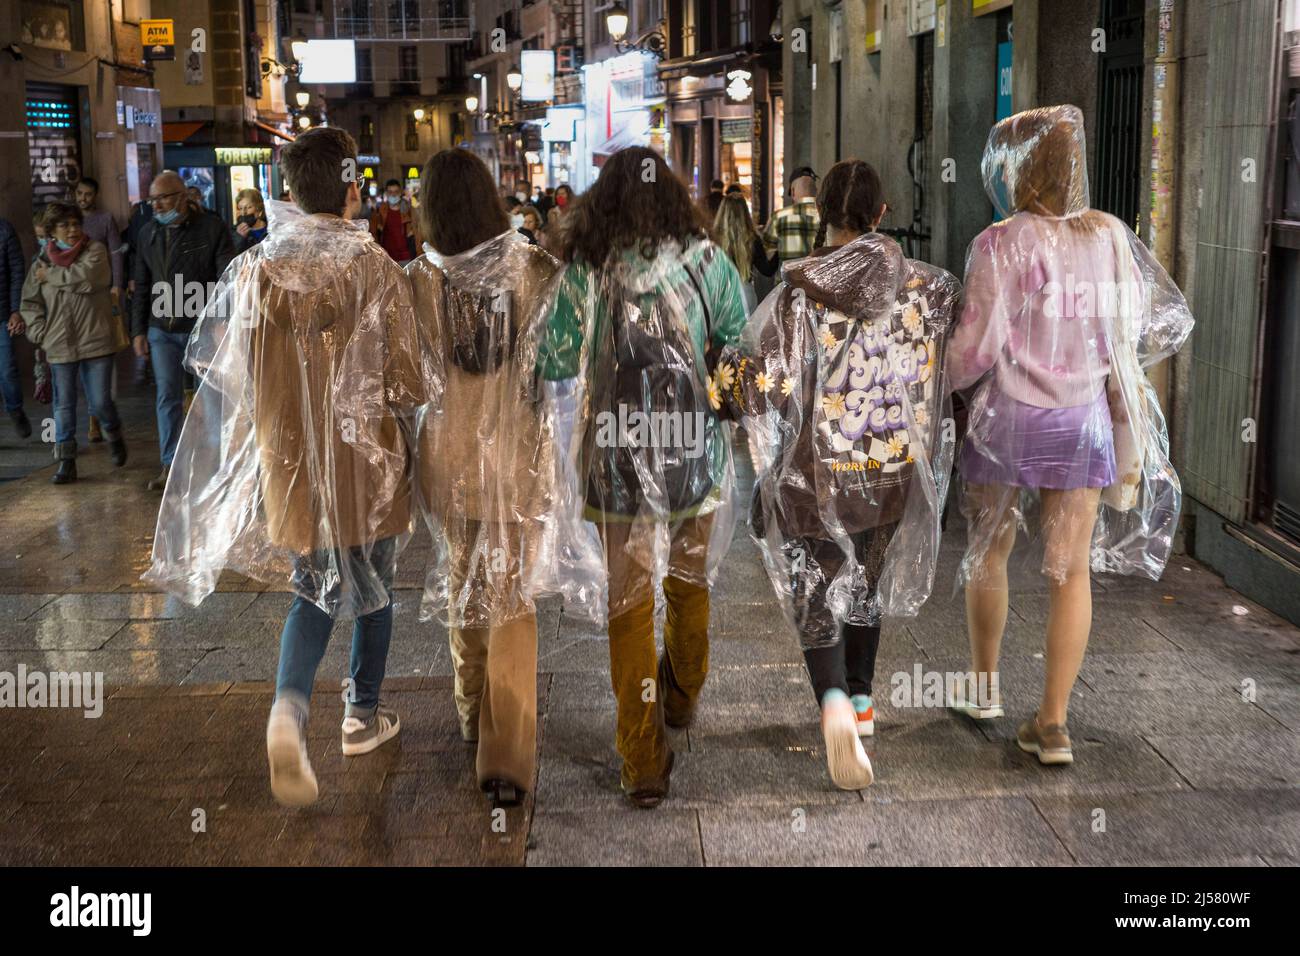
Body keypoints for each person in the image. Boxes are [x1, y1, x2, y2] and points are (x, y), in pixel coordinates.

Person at [143, 127, 434, 807]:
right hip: (369, 461)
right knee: (375, 588)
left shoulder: (257, 269)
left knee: (313, 589)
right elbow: (410, 380)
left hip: (290, 463)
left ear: (291, 191)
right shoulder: (376, 269)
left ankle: (289, 708)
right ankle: (361, 713)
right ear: (350, 188)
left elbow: (227, 372)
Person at [945, 106, 1194, 765]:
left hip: (1007, 423)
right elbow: (1129, 332)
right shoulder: (1110, 237)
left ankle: (983, 687)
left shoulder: (1002, 242)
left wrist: (933, 380)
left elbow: (975, 349)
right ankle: (1053, 724)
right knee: (1069, 570)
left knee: (988, 551)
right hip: (1082, 426)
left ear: (1015, 169)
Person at [715, 160, 959, 790]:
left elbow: (763, 386)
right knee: (867, 584)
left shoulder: (797, 296)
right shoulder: (926, 291)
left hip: (814, 472)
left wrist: (727, 379)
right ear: (881, 215)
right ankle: (863, 700)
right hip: (890, 466)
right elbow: (941, 379)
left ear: (820, 213)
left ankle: (831, 704)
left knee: (815, 585)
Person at [538, 147, 747, 808]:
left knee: (628, 605)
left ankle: (641, 757)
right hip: (692, 454)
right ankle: (681, 697)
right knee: (688, 584)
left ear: (605, 202)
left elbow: (553, 357)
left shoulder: (586, 273)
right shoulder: (710, 265)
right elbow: (738, 346)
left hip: (619, 458)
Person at [408, 148, 561, 808]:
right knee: (512, 595)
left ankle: (472, 714)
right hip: (519, 458)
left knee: (462, 577)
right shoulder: (534, 269)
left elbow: (398, 376)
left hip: (448, 460)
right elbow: (562, 362)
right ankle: (507, 747)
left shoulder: (415, 279)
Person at [130, 170, 235, 491]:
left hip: (202, 327)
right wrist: (138, 330)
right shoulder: (148, 233)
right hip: (161, 330)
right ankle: (170, 466)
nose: (157, 206)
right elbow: (142, 283)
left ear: (183, 197)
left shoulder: (211, 228)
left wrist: (220, 321)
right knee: (167, 397)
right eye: (152, 200)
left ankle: (221, 469)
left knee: (213, 397)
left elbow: (225, 277)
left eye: (162, 198)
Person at [19, 202, 128, 482]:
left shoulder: (95, 251)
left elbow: (89, 279)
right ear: (52, 232)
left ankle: (113, 432)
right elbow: (30, 302)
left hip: (96, 339)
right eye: (64, 225)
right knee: (63, 405)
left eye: (75, 224)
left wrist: (53, 276)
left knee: (101, 401)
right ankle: (66, 460)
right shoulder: (41, 262)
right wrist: (39, 332)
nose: (72, 229)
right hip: (59, 342)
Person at [74, 176, 126, 444]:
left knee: (103, 356)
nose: (83, 198)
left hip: (102, 296)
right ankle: (94, 414)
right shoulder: (70, 221)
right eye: (80, 193)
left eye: (88, 194)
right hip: (75, 300)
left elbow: (115, 254)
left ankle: (99, 415)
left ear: (95, 196)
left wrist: (117, 286)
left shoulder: (105, 220)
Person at [712, 193, 776, 313]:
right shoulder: (752, 239)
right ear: (745, 213)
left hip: (720, 294)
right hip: (745, 295)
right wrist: (776, 251)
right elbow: (767, 270)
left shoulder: (714, 239)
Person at [0, 216, 29, 438]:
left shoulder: (5, 230)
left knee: (7, 369)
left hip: (3, 314)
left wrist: (16, 310)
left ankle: (15, 409)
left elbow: (18, 271)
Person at [763, 166, 820, 264]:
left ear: (793, 191)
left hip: (786, 279)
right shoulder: (830, 216)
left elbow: (767, 254)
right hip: (820, 279)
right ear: (816, 191)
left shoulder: (778, 217)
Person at [370, 178, 414, 263]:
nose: (393, 195)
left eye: (396, 192)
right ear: (386, 193)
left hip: (406, 258)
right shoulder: (380, 212)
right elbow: (374, 233)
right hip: (387, 258)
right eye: (390, 192)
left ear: (400, 193)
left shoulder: (409, 212)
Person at [232, 187, 269, 253]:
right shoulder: (233, 232)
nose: (243, 212)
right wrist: (239, 238)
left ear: (259, 208)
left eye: (249, 207)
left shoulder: (271, 229)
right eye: (240, 208)